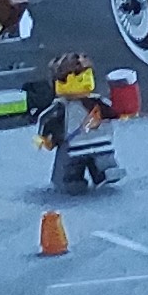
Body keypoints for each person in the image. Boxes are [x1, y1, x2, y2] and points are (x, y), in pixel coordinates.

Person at [35, 52, 120, 191]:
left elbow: (46, 121)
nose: (85, 81)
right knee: (87, 166)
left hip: (82, 146)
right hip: (94, 145)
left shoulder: (90, 102)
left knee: (73, 170)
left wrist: (46, 138)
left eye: (87, 76)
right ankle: (97, 175)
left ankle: (86, 178)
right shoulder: (72, 105)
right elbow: (47, 120)